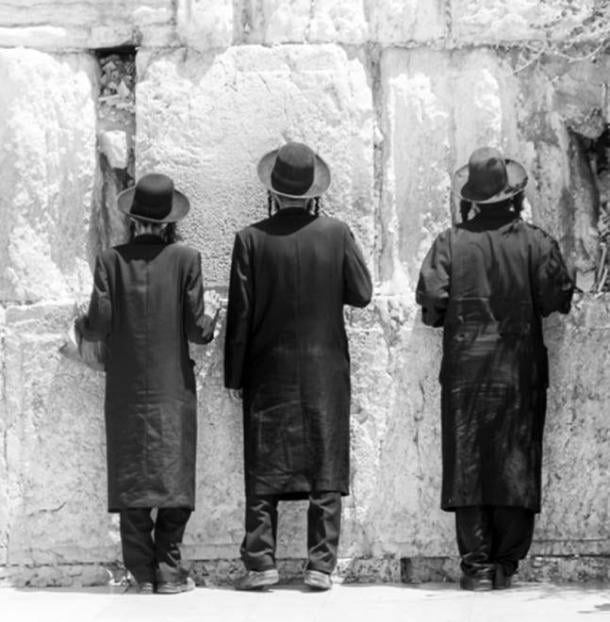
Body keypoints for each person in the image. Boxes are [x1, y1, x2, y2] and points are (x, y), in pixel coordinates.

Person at [416, 147, 574, 591]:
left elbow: (432, 304)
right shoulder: (535, 241)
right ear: (514, 197)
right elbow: (556, 298)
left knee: (468, 461)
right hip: (518, 372)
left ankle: (476, 567)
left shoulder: (448, 242)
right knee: (515, 461)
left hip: (465, 374)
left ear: (471, 199)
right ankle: (506, 564)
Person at [224, 142, 373, 591]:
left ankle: (261, 563)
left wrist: (234, 376)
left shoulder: (249, 239)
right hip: (326, 372)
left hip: (267, 371)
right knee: (325, 466)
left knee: (264, 466)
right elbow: (362, 293)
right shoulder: (336, 233)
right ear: (313, 194)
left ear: (273, 191)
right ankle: (320, 565)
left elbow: (240, 316)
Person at [76, 173, 221, 594]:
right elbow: (197, 331)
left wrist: (78, 323)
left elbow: (98, 325)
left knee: (132, 474)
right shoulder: (186, 260)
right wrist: (212, 322)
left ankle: (140, 573)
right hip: (172, 386)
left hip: (124, 387)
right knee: (175, 474)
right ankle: (170, 570)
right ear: (168, 221)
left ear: (133, 218)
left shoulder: (109, 261)